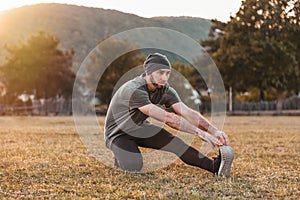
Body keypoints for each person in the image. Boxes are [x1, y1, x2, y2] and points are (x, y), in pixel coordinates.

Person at [104, 52, 234, 177]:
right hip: (118, 133)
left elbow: (187, 112)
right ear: (149, 72)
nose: (165, 78)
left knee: (175, 143)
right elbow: (169, 118)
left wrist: (214, 131)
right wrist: (199, 133)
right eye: (160, 73)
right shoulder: (134, 90)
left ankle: (214, 167)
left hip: (140, 128)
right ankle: (120, 156)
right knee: (133, 165)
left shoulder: (165, 89)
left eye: (167, 73)